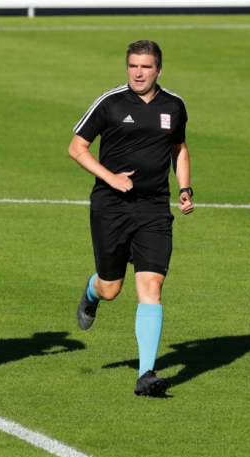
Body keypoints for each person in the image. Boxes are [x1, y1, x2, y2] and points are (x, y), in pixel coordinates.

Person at [68, 40, 194, 397]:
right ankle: (92, 292)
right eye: (132, 66)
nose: (138, 73)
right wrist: (111, 178)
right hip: (111, 207)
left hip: (154, 209)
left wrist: (185, 189)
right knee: (112, 288)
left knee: (151, 287)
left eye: (145, 67)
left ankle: (146, 374)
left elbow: (179, 149)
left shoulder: (174, 105)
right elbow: (76, 147)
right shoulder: (109, 103)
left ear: (159, 70)